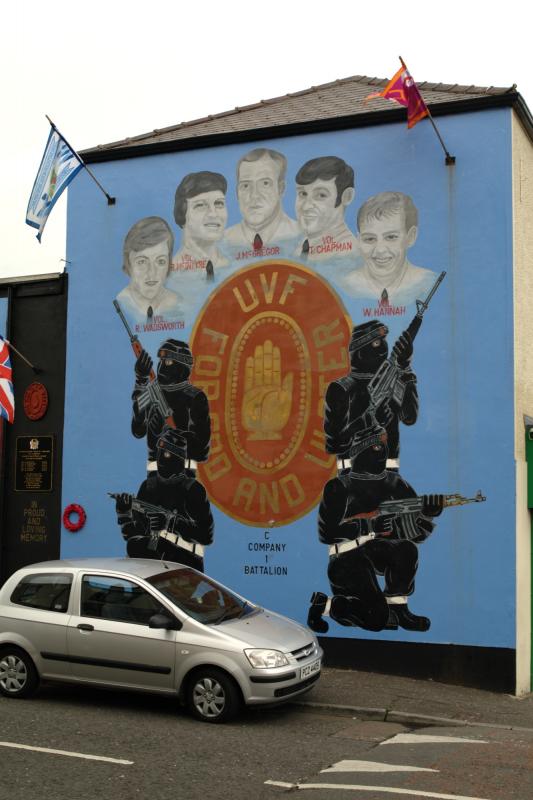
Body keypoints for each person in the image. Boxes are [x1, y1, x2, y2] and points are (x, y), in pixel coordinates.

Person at [307, 415, 443, 634]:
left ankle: (398, 608)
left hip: (377, 552)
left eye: (384, 446)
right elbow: (326, 533)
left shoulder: (395, 483)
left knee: (406, 550)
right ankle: (326, 605)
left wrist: (426, 514)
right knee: (375, 619)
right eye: (377, 447)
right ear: (360, 452)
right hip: (346, 558)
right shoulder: (338, 487)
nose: (382, 453)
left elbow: (415, 535)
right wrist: (369, 526)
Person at [324, 320, 418, 472]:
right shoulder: (340, 389)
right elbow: (335, 444)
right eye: (376, 343)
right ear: (360, 352)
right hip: (350, 477)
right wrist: (369, 420)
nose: (383, 347)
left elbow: (409, 418)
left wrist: (405, 369)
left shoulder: (393, 378)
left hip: (389, 476)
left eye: (383, 341)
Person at [114, 427, 214, 570]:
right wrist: (124, 514)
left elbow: (206, 536)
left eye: (167, 454)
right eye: (160, 453)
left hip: (186, 567)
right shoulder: (148, 487)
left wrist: (170, 523)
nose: (161, 460)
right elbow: (135, 536)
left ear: (179, 460)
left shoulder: (193, 490)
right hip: (152, 570)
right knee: (134, 545)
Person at [339, 192, 437, 304]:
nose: (380, 250)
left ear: (410, 237)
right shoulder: (344, 289)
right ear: (359, 240)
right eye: (369, 239)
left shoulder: (431, 285)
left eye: (391, 237)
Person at [132, 339, 210, 474]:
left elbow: (201, 451)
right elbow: (137, 430)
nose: (161, 367)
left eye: (168, 362)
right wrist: (141, 380)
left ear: (182, 366)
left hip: (184, 478)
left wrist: (166, 434)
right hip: (154, 476)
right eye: (161, 361)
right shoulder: (153, 390)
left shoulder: (195, 397)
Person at [224, 148, 299, 253]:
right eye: (245, 185)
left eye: (265, 183)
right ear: (237, 193)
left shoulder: (301, 236)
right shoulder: (222, 243)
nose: (254, 195)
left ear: (281, 189)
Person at [116, 217, 183, 322]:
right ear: (129, 264)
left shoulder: (178, 303)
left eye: (161, 261)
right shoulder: (121, 303)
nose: (152, 272)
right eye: (142, 262)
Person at [293, 156, 357, 263]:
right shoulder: (302, 246)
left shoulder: (349, 256)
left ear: (346, 197)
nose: (306, 206)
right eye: (303, 194)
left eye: (321, 195)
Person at [171, 171, 229, 278]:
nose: (213, 213)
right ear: (182, 213)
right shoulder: (173, 274)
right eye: (201, 205)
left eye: (219, 203)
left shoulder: (231, 263)